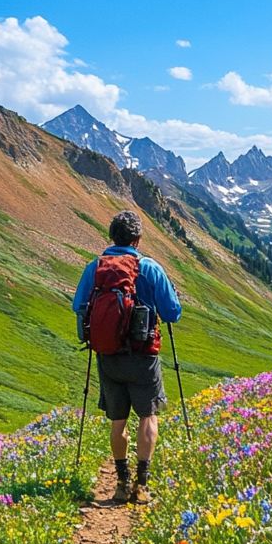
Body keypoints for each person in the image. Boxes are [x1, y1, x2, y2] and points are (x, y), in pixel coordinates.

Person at [72, 211, 182, 503]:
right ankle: (142, 485)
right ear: (138, 239)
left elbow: (79, 307)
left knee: (117, 421)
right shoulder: (150, 268)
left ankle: (121, 483)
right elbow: (172, 313)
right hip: (144, 356)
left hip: (108, 355)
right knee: (148, 416)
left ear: (111, 236)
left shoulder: (94, 267)